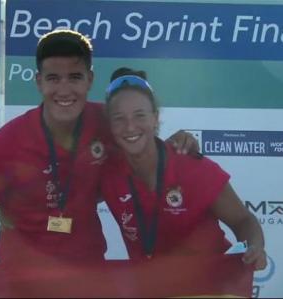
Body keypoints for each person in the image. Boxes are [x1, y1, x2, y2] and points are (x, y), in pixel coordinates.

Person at [0, 29, 199, 290]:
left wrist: (179, 143)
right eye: (54, 78)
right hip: (22, 282)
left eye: (75, 77)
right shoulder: (4, 144)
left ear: (89, 80)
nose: (64, 90)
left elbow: (146, 148)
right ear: (39, 82)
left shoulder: (108, 123)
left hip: (88, 277)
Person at [100, 67, 267, 297]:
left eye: (140, 115)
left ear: (155, 117)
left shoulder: (190, 165)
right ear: (109, 124)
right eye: (119, 118)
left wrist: (255, 246)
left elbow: (242, 219)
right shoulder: (106, 172)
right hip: (153, 289)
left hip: (210, 289)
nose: (130, 127)